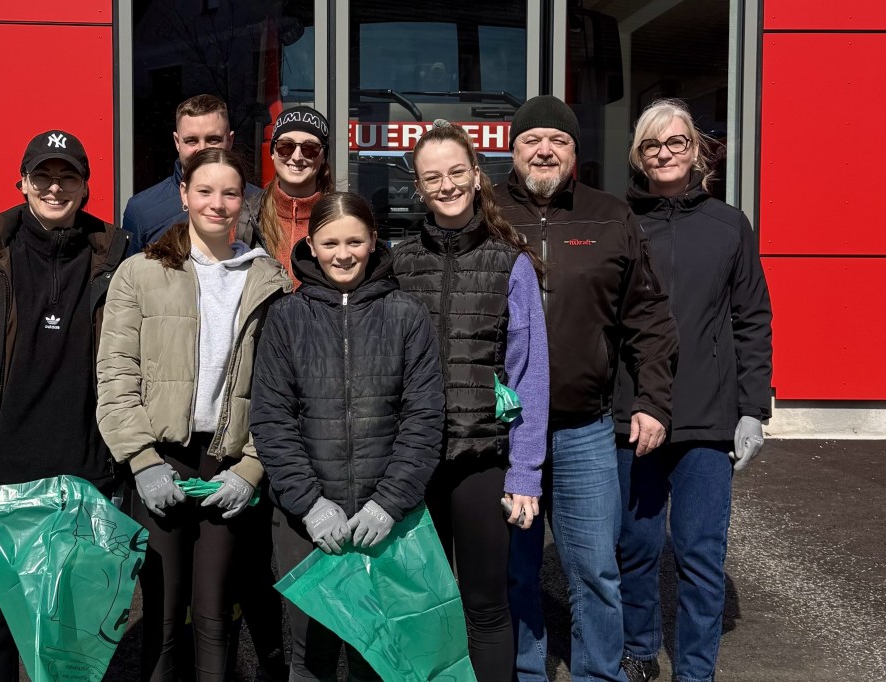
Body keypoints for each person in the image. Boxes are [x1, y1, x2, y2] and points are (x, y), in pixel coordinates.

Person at [0, 129, 129, 681]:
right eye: (43, 176)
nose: (55, 187)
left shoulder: (116, 258)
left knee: (75, 639)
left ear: (86, 188)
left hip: (87, 481)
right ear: (22, 183)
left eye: (68, 177)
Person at [496, 95, 679, 682]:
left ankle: (601, 672)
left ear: (575, 153)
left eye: (559, 141)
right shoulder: (484, 212)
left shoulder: (611, 216)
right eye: (532, 140)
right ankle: (525, 669)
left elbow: (648, 317)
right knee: (515, 567)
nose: (545, 150)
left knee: (596, 568)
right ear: (513, 149)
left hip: (584, 428)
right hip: (504, 431)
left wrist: (652, 399)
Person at [96, 148, 293, 682]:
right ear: (183, 194)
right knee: (161, 612)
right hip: (162, 460)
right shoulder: (140, 273)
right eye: (205, 191)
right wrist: (140, 459)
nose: (218, 203)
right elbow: (116, 375)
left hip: (224, 463)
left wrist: (251, 469)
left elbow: (278, 393)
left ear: (244, 202)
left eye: (230, 193)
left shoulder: (266, 279)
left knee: (214, 613)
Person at [250, 192, 445, 681]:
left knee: (377, 655)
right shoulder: (287, 318)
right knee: (310, 655)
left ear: (373, 241)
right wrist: (309, 503)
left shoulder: (405, 314)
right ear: (311, 245)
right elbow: (273, 420)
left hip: (385, 519)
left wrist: (390, 502)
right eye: (330, 242)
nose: (343, 254)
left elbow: (423, 418)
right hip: (306, 522)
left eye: (355, 241)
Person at [614, 99, 772, 682]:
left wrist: (754, 408)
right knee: (635, 544)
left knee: (700, 552)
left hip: (709, 414)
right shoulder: (622, 223)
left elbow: (752, 317)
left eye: (675, 142)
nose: (664, 153)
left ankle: (696, 668)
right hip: (635, 414)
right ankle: (638, 650)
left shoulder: (729, 224)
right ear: (638, 156)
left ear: (696, 149)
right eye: (652, 145)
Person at [392, 120, 550, 681]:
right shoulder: (399, 263)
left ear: (477, 176)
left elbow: (531, 375)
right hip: (411, 463)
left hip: (483, 459)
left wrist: (525, 473)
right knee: (418, 608)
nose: (448, 184)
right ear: (418, 187)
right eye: (433, 176)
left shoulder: (512, 263)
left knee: (486, 606)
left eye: (457, 171)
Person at [123, 94, 261, 254]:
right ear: (177, 142)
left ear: (230, 141)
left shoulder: (258, 202)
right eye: (191, 141)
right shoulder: (142, 210)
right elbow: (131, 275)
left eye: (213, 140)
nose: (202, 149)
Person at [238, 106, 335, 286]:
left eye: (310, 149)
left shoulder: (341, 217)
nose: (297, 157)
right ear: (273, 152)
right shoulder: (245, 216)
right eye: (286, 146)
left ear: (323, 157)